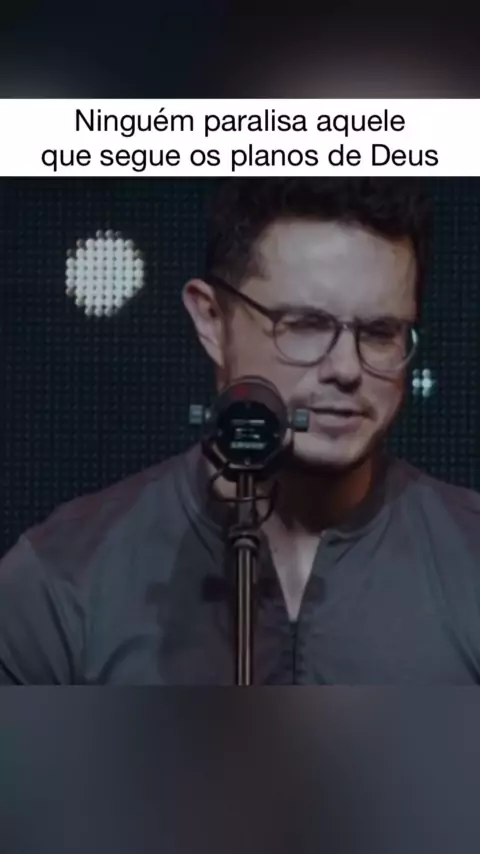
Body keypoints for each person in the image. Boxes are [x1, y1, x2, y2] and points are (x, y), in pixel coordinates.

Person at [1, 177, 480, 685]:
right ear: (212, 319)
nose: (346, 368)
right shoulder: (62, 579)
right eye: (305, 325)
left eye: (380, 333)